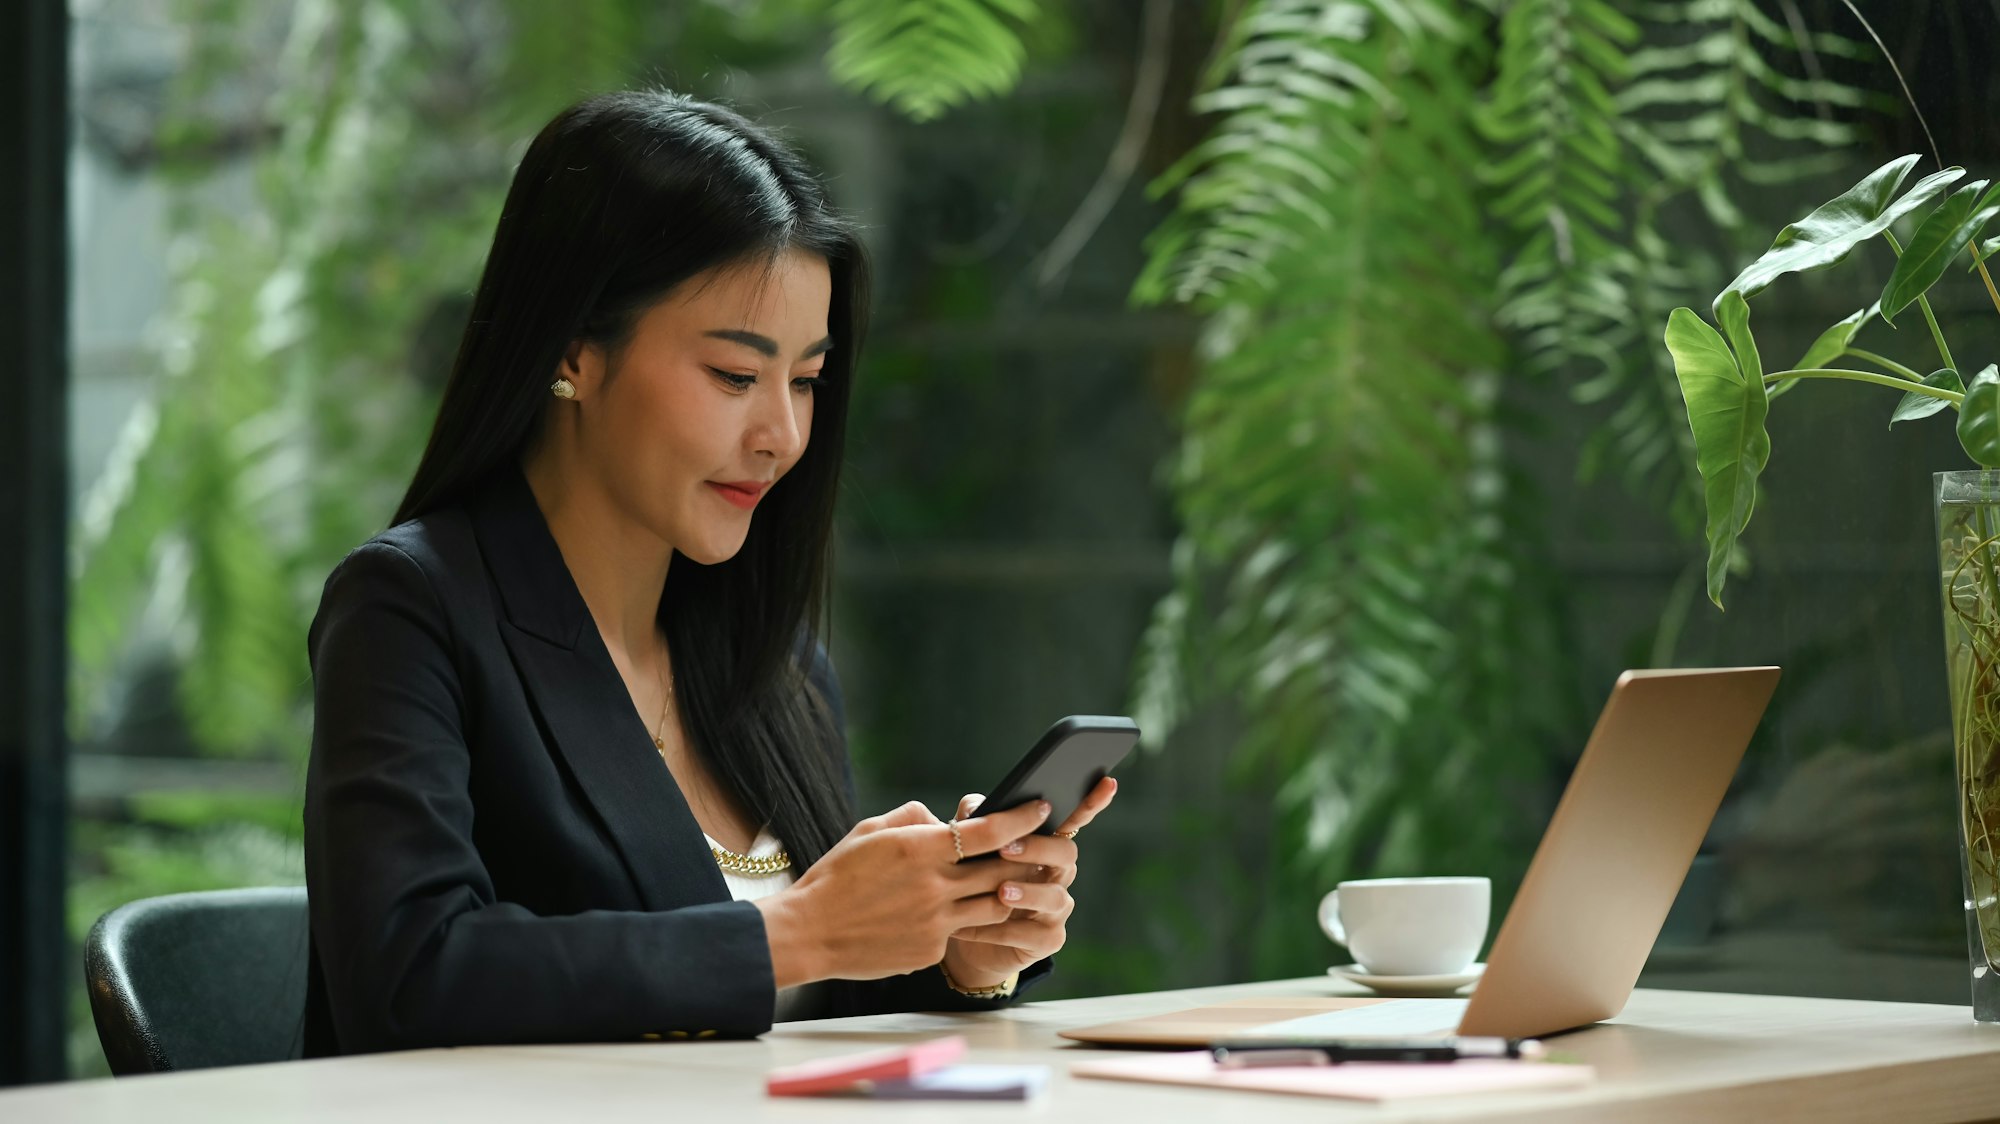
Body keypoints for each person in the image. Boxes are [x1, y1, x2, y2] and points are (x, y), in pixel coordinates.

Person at [302, 89, 1118, 1056]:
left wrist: (956, 957)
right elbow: (410, 980)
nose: (782, 435)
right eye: (736, 376)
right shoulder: (413, 608)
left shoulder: (775, 659)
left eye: (806, 381)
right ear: (573, 351)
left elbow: (802, 1015)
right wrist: (802, 930)